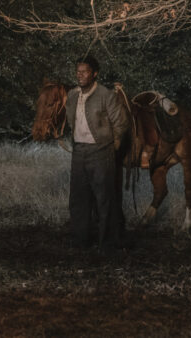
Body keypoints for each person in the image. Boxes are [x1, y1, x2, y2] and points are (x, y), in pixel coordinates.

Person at [64, 54, 128, 252]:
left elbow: (121, 123)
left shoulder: (105, 95)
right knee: (78, 199)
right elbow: (70, 121)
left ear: (95, 74)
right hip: (79, 152)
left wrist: (112, 147)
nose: (80, 75)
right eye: (78, 71)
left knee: (104, 199)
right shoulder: (73, 95)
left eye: (84, 72)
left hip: (101, 152)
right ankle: (80, 242)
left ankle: (108, 244)